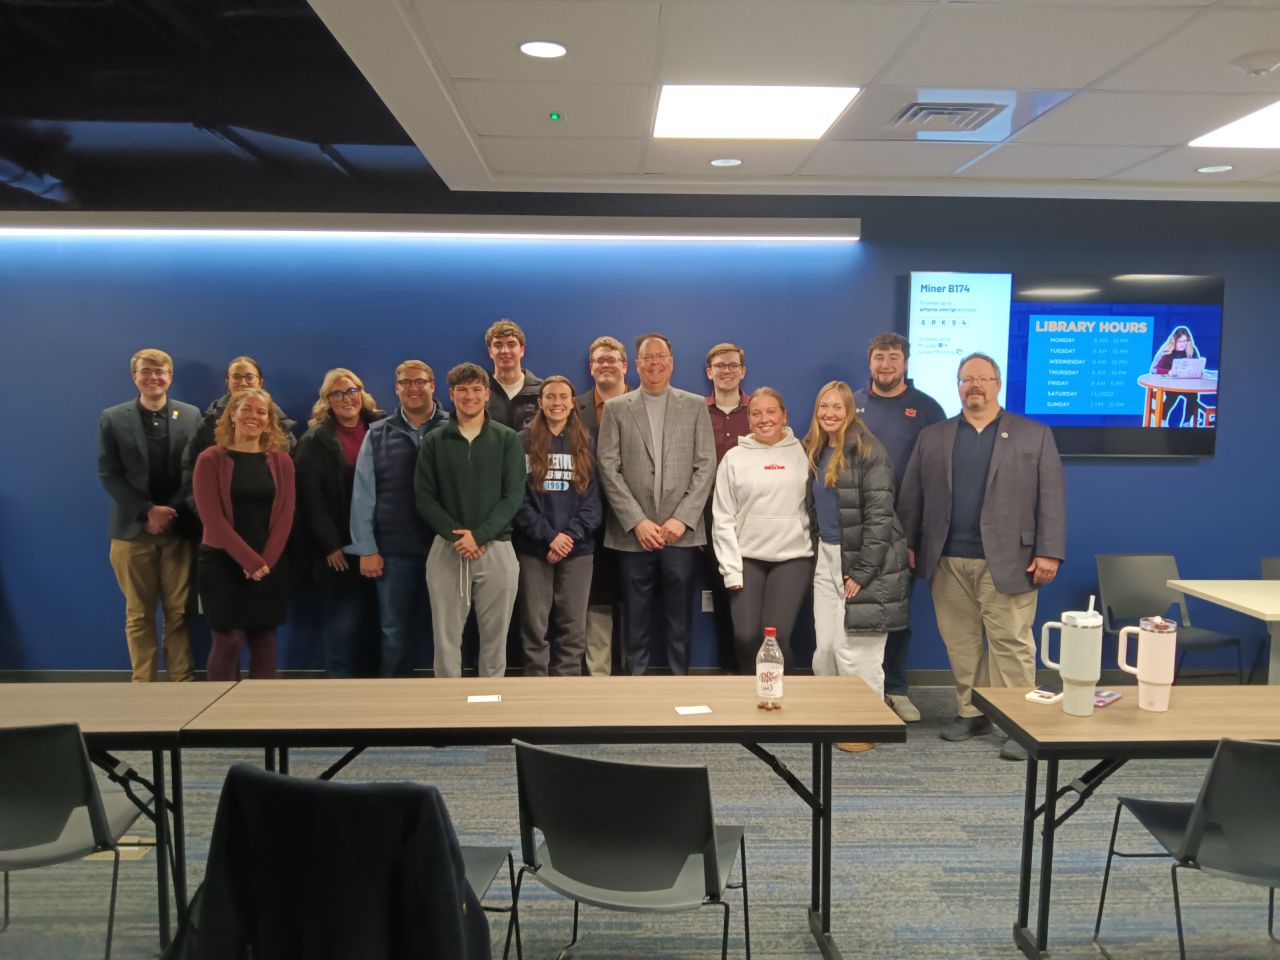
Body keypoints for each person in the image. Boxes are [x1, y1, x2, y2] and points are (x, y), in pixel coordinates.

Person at [898, 352, 1066, 762]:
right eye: (966, 379)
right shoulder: (933, 436)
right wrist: (908, 542)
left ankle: (1019, 722)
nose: (974, 385)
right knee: (962, 643)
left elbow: (1052, 497)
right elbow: (912, 495)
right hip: (947, 560)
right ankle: (971, 712)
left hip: (1011, 559)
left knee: (1011, 644)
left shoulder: (1033, 434)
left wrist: (1049, 551)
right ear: (957, 385)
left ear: (998, 384)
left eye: (982, 379)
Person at [597, 333, 716, 675]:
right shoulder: (618, 408)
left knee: (680, 620)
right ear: (636, 365)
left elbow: (706, 465)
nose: (654, 363)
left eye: (660, 356)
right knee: (635, 620)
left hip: (681, 535)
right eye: (647, 357)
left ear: (671, 362)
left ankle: (680, 686)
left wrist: (682, 518)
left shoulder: (694, 406)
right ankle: (636, 690)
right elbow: (608, 467)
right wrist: (637, 521)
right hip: (633, 535)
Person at [803, 381, 911, 752]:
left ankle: (864, 726)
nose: (829, 413)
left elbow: (881, 517)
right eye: (823, 407)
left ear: (850, 410)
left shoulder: (868, 450)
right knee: (826, 650)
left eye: (837, 407)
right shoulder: (815, 448)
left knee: (858, 654)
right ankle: (835, 718)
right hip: (828, 558)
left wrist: (863, 572)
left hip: (867, 565)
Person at [852, 332, 946, 723]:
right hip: (854, 528)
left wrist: (914, 536)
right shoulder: (852, 404)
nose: (886, 365)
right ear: (869, 362)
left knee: (897, 613)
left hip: (904, 530)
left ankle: (897, 688)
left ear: (905, 363)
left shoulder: (927, 409)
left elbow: (937, 477)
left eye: (893, 357)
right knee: (856, 614)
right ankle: (859, 689)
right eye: (879, 357)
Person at [415, 362, 525, 678]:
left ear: (487, 394)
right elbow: (424, 497)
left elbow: (513, 495)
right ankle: (448, 714)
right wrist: (458, 536)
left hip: (497, 549)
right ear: (451, 394)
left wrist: (480, 536)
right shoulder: (435, 441)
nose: (470, 396)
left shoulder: (507, 439)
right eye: (462, 390)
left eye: (476, 389)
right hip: (447, 551)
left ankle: (490, 711)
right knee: (446, 640)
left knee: (495, 640)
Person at [97, 347, 200, 682]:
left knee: (179, 613)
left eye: (161, 371)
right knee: (138, 615)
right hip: (131, 530)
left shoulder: (191, 415)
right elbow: (108, 474)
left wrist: (167, 512)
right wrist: (147, 511)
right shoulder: (113, 418)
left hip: (178, 528)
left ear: (170, 377)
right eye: (146, 371)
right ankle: (143, 686)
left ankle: (181, 684)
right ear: (135, 377)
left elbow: (195, 471)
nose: (154, 377)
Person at [350, 360, 450, 676]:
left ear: (432, 386)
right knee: (394, 633)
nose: (413, 388)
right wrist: (366, 548)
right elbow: (362, 494)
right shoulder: (378, 433)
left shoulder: (455, 427)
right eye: (406, 383)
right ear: (396, 389)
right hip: (393, 552)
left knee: (447, 632)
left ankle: (448, 703)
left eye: (420, 381)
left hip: (446, 548)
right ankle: (393, 708)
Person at [193, 387, 295, 681]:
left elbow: (286, 516)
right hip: (221, 563)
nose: (254, 416)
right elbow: (212, 518)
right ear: (233, 415)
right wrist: (249, 561)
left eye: (261, 411)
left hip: (269, 563)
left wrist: (265, 562)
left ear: (269, 420)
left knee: (265, 642)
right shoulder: (210, 459)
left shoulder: (281, 461)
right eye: (247, 409)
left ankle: (262, 719)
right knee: (229, 641)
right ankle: (218, 721)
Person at [711, 387, 814, 674]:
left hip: (793, 557)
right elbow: (723, 517)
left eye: (771, 412)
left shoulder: (805, 453)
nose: (764, 419)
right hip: (747, 559)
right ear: (748, 418)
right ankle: (752, 702)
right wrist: (730, 569)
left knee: (776, 637)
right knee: (745, 637)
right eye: (756, 413)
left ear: (784, 416)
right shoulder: (734, 458)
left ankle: (783, 704)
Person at [293, 368, 385, 677]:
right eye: (338, 394)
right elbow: (310, 500)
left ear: (362, 394)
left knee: (379, 621)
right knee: (343, 622)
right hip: (339, 549)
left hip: (380, 544)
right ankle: (341, 690)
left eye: (352, 391)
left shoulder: (382, 428)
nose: (346, 399)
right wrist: (330, 545)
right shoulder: (314, 440)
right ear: (327, 401)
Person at [514, 376, 603, 676]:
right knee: (534, 624)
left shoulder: (585, 439)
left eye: (563, 397)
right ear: (540, 402)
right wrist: (549, 537)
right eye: (550, 397)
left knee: (573, 624)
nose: (557, 403)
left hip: (577, 550)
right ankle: (535, 684)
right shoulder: (522, 441)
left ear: (572, 402)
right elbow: (517, 499)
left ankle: (568, 686)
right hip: (534, 548)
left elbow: (593, 501)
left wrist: (569, 536)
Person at [575, 335, 630, 675]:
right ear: (590, 368)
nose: (605, 365)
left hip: (637, 523)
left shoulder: (646, 404)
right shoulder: (572, 408)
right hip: (588, 523)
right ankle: (599, 680)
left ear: (625, 365)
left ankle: (631, 679)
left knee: (635, 603)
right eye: (599, 360)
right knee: (595, 602)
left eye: (612, 359)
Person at [181, 355, 296, 514]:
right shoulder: (209, 425)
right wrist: (205, 514)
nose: (243, 382)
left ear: (260, 382)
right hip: (217, 520)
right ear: (227, 381)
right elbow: (190, 469)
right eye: (236, 377)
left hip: (269, 519)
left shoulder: (279, 424)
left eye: (249, 377)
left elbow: (293, 473)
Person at [702, 342, 751, 671]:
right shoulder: (696, 410)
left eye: (733, 365)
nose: (727, 371)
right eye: (720, 366)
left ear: (742, 371)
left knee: (750, 593)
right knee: (721, 591)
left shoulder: (758, 410)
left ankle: (752, 669)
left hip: (752, 517)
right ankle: (728, 669)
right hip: (708, 515)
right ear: (709, 372)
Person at [485, 318, 544, 430]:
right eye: (498, 345)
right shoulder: (480, 392)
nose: (505, 350)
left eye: (511, 344)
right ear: (490, 352)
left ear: (522, 350)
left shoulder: (542, 391)